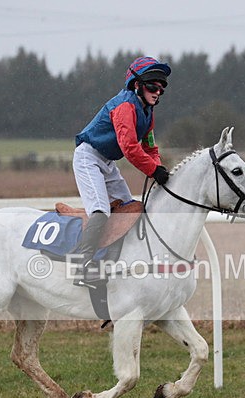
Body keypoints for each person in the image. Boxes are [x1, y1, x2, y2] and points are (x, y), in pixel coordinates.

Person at [71, 56, 171, 287]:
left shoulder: (147, 111)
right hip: (88, 157)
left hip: (107, 162)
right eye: (153, 86)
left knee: (130, 209)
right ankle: (82, 267)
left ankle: (121, 260)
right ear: (137, 85)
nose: (158, 92)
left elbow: (149, 147)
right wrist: (153, 169)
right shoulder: (125, 105)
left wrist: (158, 167)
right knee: (100, 211)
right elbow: (129, 147)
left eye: (162, 89)